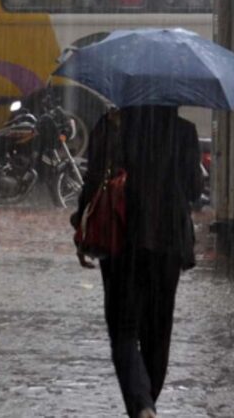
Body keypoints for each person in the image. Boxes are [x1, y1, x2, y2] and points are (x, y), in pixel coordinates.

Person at [72, 106, 202, 418]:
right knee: (158, 333)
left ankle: (142, 405)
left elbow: (93, 183)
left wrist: (81, 227)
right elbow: (195, 191)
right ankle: (146, 405)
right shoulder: (183, 131)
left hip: (121, 238)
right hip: (168, 241)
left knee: (124, 330)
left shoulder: (111, 125)